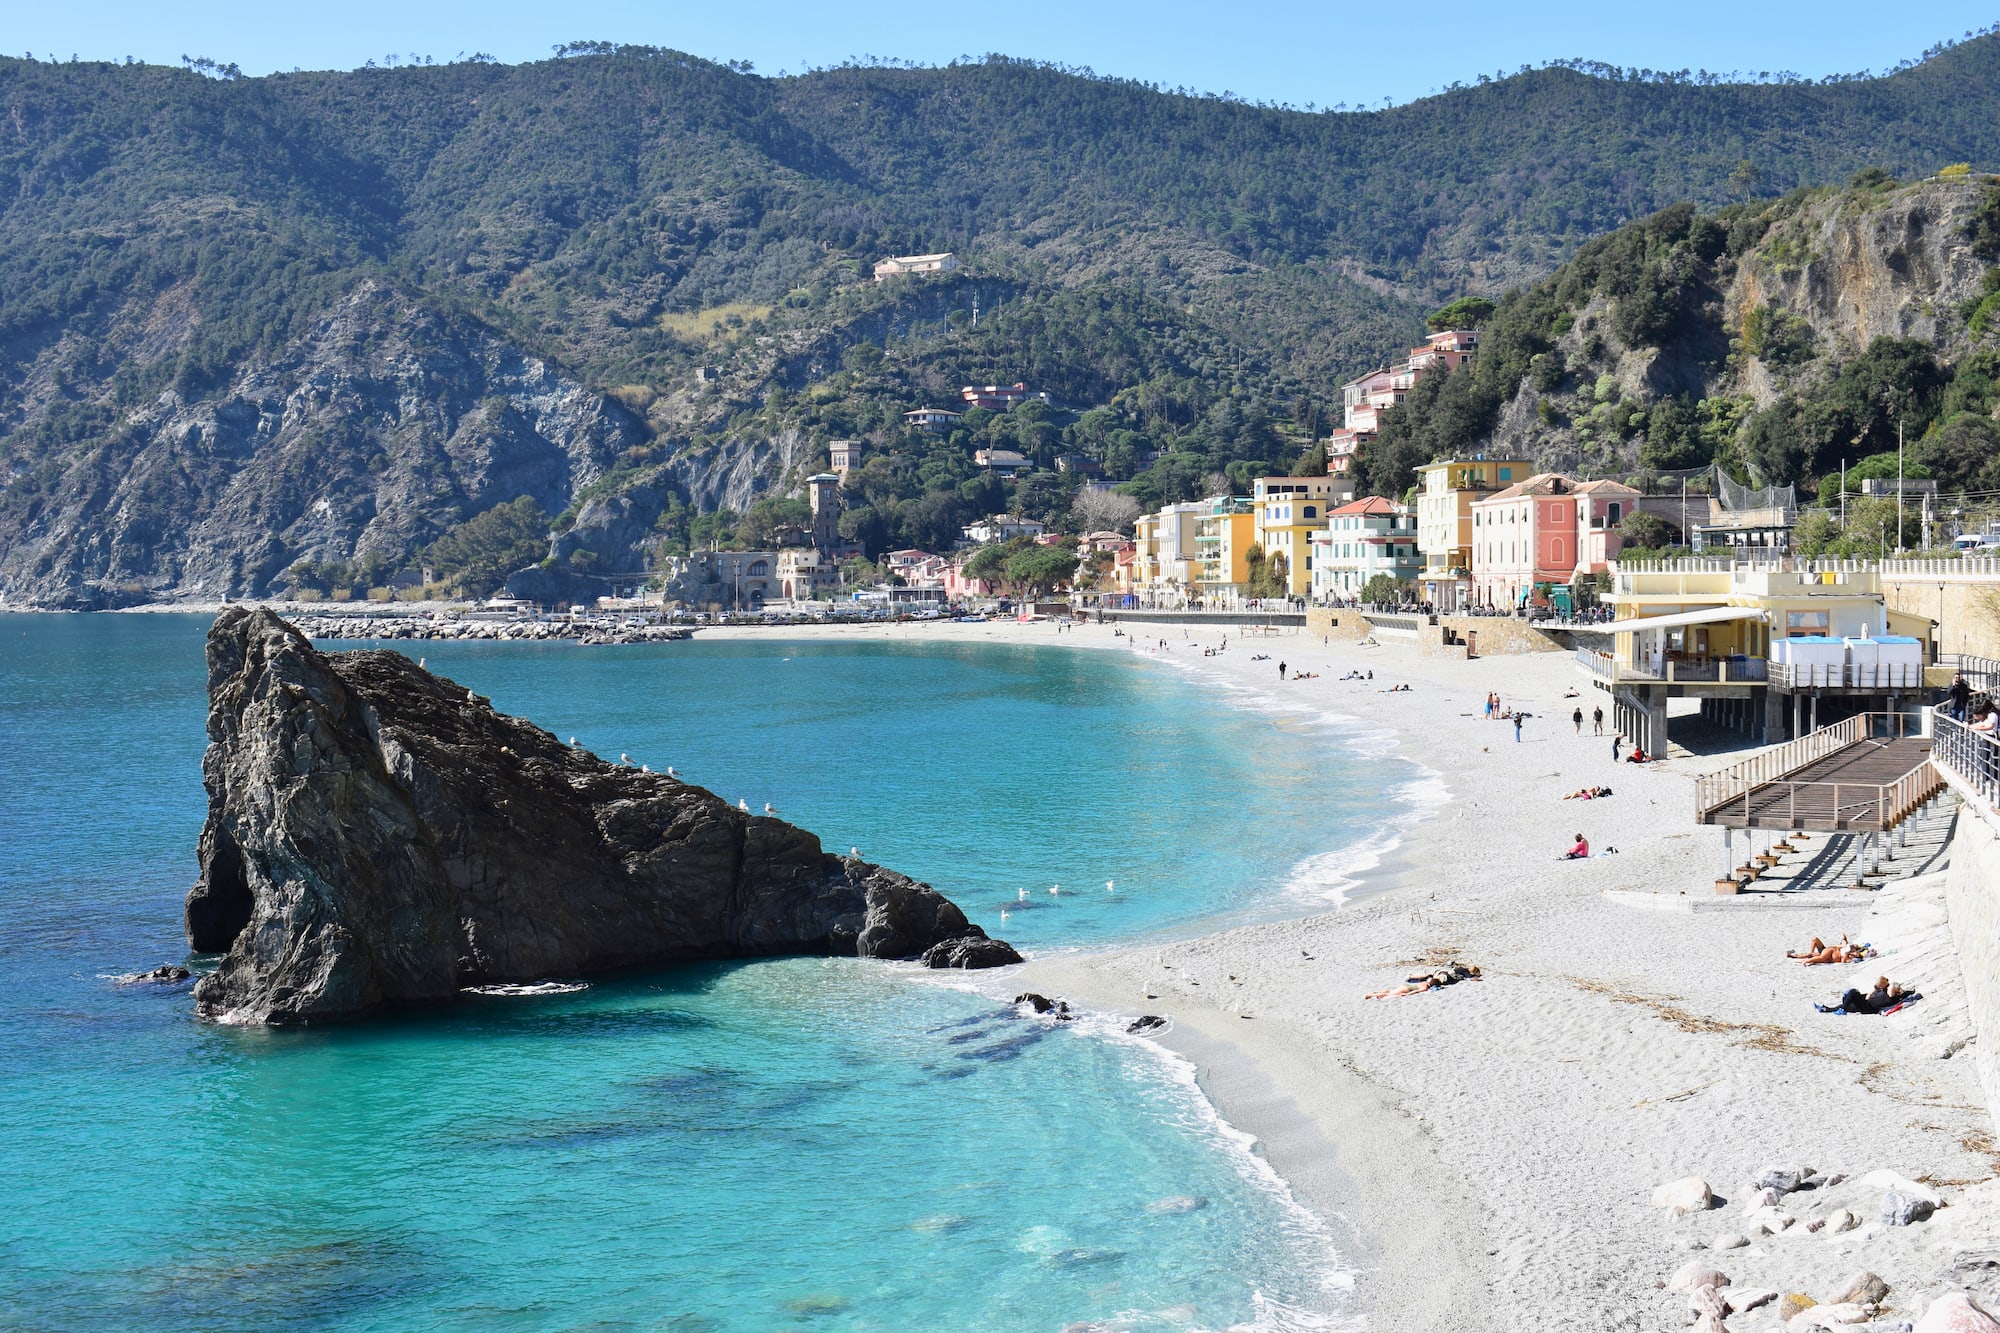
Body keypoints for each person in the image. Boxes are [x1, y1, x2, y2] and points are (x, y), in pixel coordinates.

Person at [1365, 962, 1481, 999]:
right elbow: (1469, 978)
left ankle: (1375, 992)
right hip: (1409, 988)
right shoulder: (1465, 971)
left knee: (1391, 991)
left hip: (1439, 972)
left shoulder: (1458, 968)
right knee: (1389, 993)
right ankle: (1371, 994)